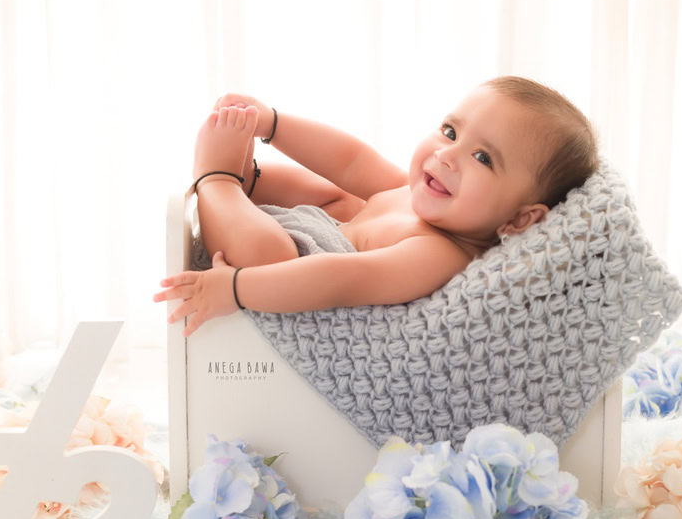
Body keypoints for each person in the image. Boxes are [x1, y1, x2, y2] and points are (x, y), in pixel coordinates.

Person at [152, 76, 599, 336]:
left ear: (521, 218)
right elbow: (349, 159)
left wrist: (237, 289)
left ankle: (217, 181)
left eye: (482, 158)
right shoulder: (418, 198)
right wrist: (273, 123)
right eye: (449, 131)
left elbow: (337, 279)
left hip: (285, 269)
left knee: (271, 254)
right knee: (339, 196)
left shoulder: (439, 253)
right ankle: (252, 181)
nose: (447, 155)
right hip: (301, 228)